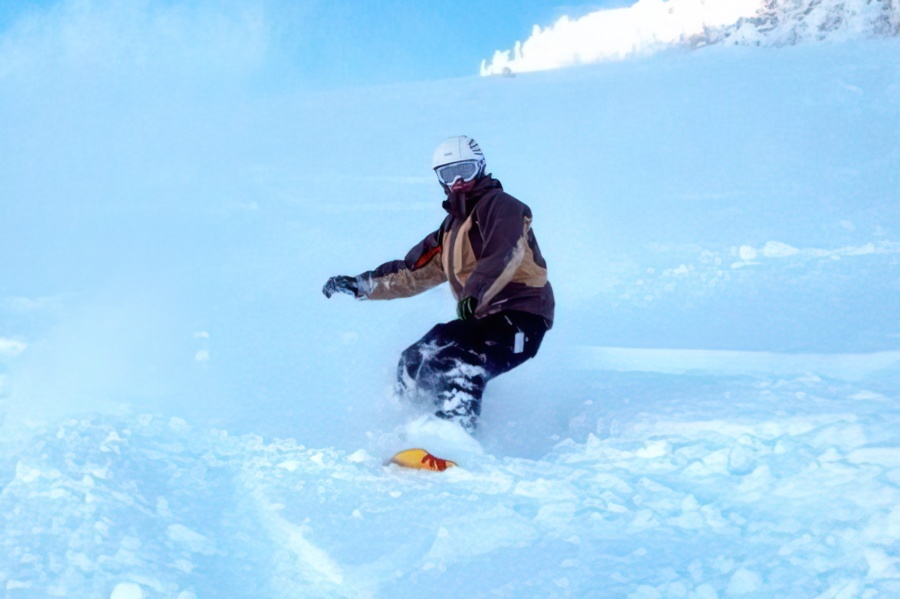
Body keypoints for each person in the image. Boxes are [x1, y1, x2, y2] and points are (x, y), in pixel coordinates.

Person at [322, 136, 554, 433]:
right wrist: (361, 285)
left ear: (480, 168)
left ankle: (453, 435)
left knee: (460, 358)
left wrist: (473, 292)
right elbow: (413, 272)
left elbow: (504, 251)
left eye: (466, 171)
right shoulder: (450, 230)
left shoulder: (502, 206)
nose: (458, 181)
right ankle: (412, 426)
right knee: (417, 356)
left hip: (522, 316)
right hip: (483, 316)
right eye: (448, 174)